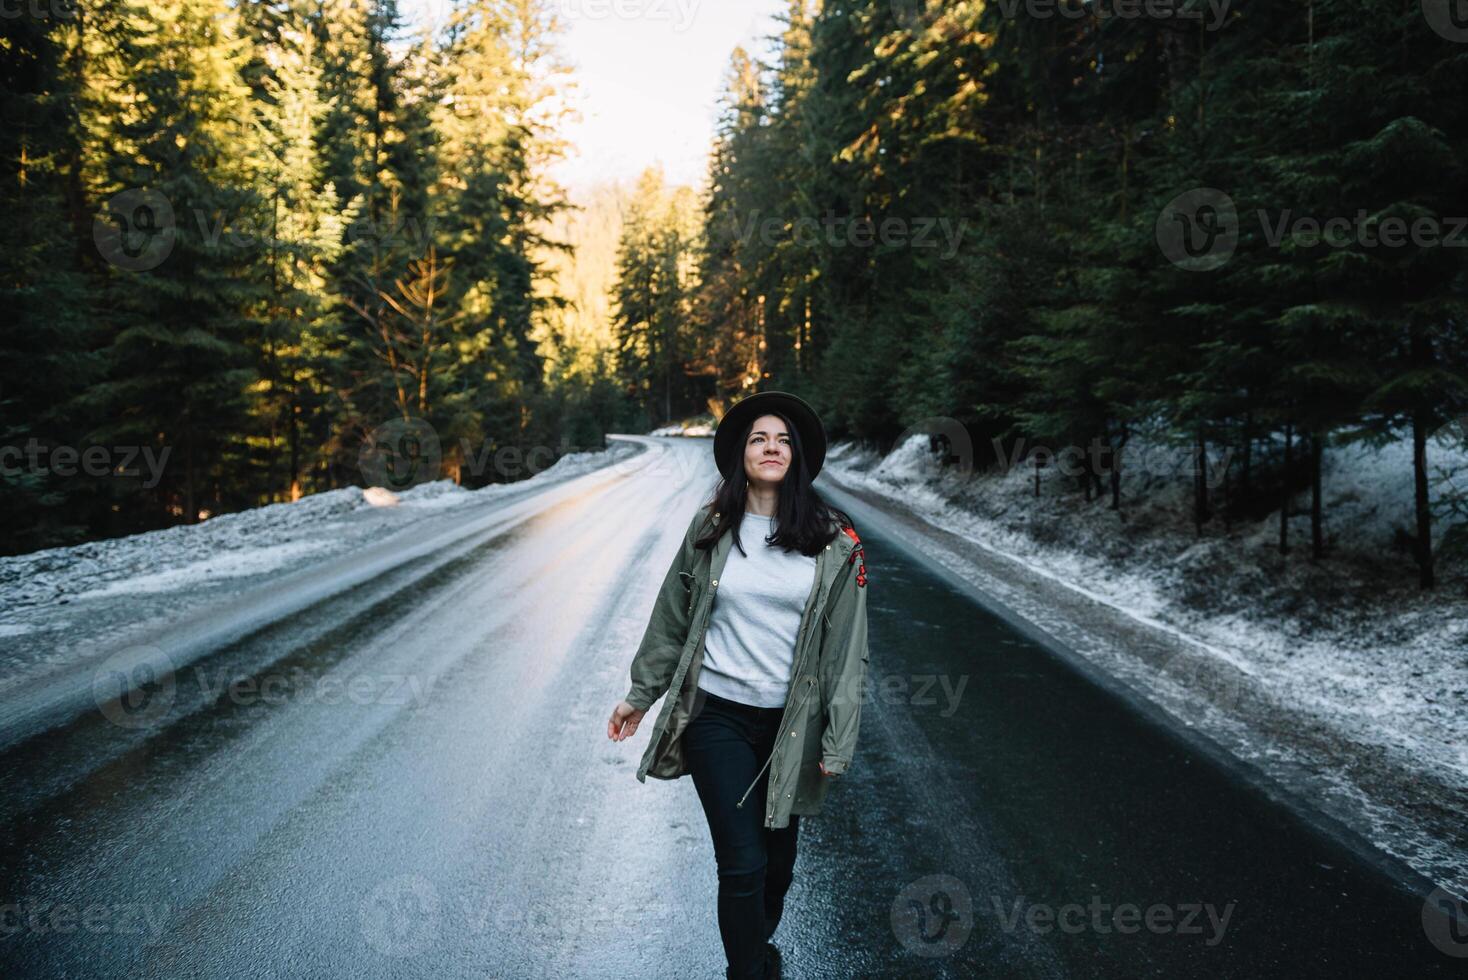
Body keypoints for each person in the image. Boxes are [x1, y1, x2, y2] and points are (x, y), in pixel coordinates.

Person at [606, 391, 871, 980]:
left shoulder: (835, 543)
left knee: (777, 869)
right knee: (742, 863)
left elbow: (847, 654)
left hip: (790, 729)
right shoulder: (711, 527)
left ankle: (754, 947)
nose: (771, 447)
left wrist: (838, 741)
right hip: (716, 717)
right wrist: (640, 695)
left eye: (782, 439)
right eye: (758, 438)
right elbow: (672, 617)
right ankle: (749, 971)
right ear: (741, 455)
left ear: (796, 456)